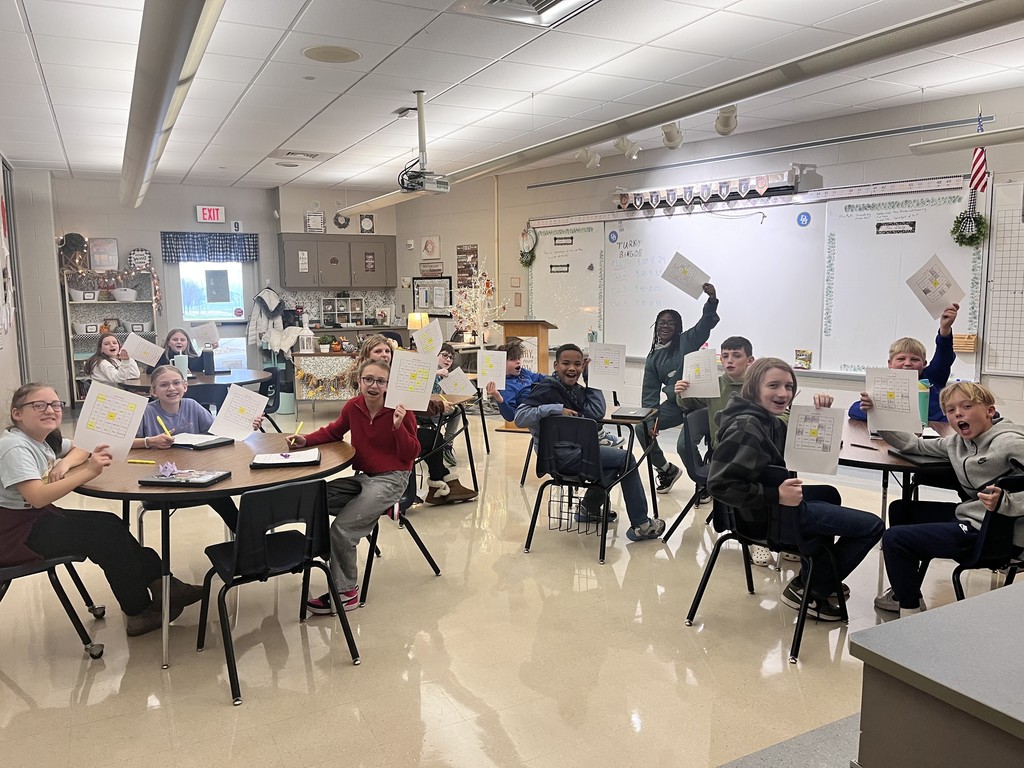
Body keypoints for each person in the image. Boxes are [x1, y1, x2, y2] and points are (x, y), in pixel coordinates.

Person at [0, 383, 202, 636]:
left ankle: (164, 584)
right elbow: (38, 497)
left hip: (33, 519)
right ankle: (138, 610)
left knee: (110, 524)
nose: (50, 410)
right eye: (38, 405)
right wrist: (87, 471)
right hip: (15, 535)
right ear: (17, 413)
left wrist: (148, 442)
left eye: (55, 405)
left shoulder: (42, 439)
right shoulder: (15, 447)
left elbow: (85, 445)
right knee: (105, 535)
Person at [707, 358, 884, 620]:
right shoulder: (747, 427)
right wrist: (775, 495)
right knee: (872, 526)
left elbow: (803, 448)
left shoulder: (765, 420)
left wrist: (821, 417)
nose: (783, 393)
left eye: (789, 386)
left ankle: (818, 571)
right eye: (774, 386)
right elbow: (720, 485)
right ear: (754, 387)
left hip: (762, 512)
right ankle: (811, 588)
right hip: (763, 518)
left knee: (828, 494)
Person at [874, 382, 1024, 617]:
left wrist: (1008, 502)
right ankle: (908, 590)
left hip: (997, 533)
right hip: (973, 517)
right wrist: (878, 416)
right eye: (951, 410)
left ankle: (909, 613)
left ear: (990, 411)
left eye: (967, 406)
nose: (958, 414)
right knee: (901, 510)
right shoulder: (957, 443)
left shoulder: (1010, 442)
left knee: (895, 538)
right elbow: (915, 444)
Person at [288, 359, 420, 614]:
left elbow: (410, 454)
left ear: (388, 385)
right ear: (359, 381)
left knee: (343, 529)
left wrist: (398, 427)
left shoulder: (401, 410)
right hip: (364, 477)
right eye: (368, 379)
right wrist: (305, 440)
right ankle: (338, 551)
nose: (373, 385)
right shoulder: (354, 406)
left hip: (393, 479)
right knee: (317, 497)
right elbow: (333, 432)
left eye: (380, 381)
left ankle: (346, 592)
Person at [515, 343, 666, 541]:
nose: (572, 368)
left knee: (614, 465)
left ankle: (588, 510)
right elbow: (520, 417)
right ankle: (641, 525)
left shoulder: (577, 390)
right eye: (566, 363)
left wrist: (591, 379)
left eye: (578, 364)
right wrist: (554, 409)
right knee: (627, 460)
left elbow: (596, 412)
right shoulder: (546, 388)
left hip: (579, 454)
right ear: (555, 365)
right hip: (559, 458)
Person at [675, 335, 777, 567]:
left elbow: (779, 412)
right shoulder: (714, 384)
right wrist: (681, 392)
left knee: (780, 474)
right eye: (725, 356)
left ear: (750, 360)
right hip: (725, 454)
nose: (729, 361)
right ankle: (755, 537)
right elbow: (690, 404)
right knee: (749, 478)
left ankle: (784, 533)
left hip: (756, 451)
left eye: (736, 356)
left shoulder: (759, 386)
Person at [131, 364, 262, 530]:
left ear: (185, 387)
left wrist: (249, 425)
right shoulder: (146, 412)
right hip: (160, 481)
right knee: (217, 494)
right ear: (154, 391)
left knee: (221, 493)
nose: (171, 388)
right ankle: (247, 539)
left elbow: (219, 432)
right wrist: (149, 441)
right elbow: (124, 443)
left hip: (195, 475)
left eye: (176, 383)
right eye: (164, 385)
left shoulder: (191, 405)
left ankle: (246, 540)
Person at [639, 284, 721, 494]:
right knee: (641, 428)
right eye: (661, 322)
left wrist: (711, 300)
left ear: (678, 327)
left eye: (671, 323)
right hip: (675, 406)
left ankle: (705, 483)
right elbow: (649, 394)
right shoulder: (652, 358)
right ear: (655, 326)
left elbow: (705, 325)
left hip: (700, 405)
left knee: (684, 446)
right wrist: (650, 421)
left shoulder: (686, 341)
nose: (665, 326)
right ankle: (666, 469)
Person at [850, 303, 959, 423]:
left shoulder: (932, 378)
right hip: (899, 435)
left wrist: (944, 330)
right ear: (890, 364)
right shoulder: (883, 385)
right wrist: (867, 410)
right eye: (901, 359)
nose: (907, 364)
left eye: (915, 359)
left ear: (924, 364)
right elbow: (853, 410)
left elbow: (944, 356)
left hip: (933, 435)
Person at [486, 338, 546, 422]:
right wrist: (498, 397)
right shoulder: (506, 385)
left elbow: (540, 377)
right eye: (512, 359)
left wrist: (558, 378)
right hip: (534, 410)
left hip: (543, 399)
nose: (518, 362)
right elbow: (510, 416)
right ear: (502, 363)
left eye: (518, 358)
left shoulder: (523, 372)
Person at [431, 342, 462, 466]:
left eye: (451, 357)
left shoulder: (446, 375)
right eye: (444, 355)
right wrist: (436, 372)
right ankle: (447, 444)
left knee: (458, 408)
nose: (448, 360)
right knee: (458, 410)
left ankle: (447, 444)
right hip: (427, 408)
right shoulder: (431, 369)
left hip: (437, 407)